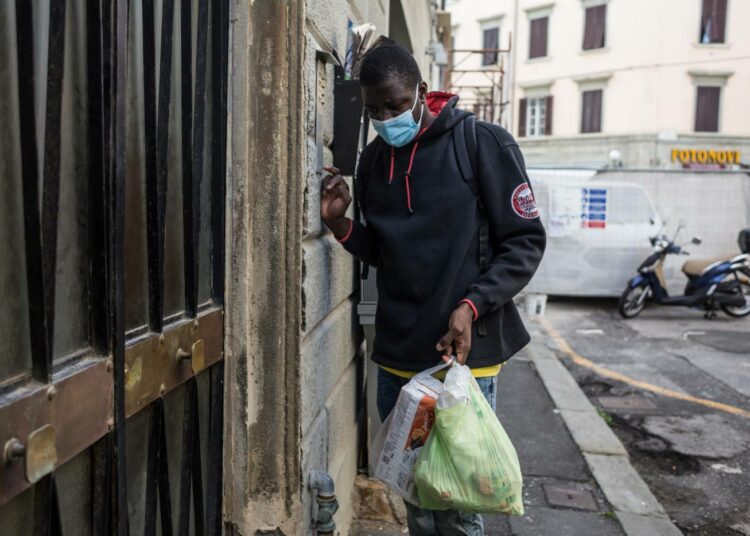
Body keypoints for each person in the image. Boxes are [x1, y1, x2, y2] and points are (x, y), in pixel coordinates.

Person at [320, 43, 545, 535]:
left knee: (461, 500)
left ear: (423, 92)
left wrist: (472, 304)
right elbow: (383, 250)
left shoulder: (483, 143)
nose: (386, 118)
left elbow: (524, 242)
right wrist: (341, 227)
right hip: (397, 361)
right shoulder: (376, 161)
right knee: (418, 494)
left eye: (396, 105)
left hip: (459, 362)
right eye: (375, 110)